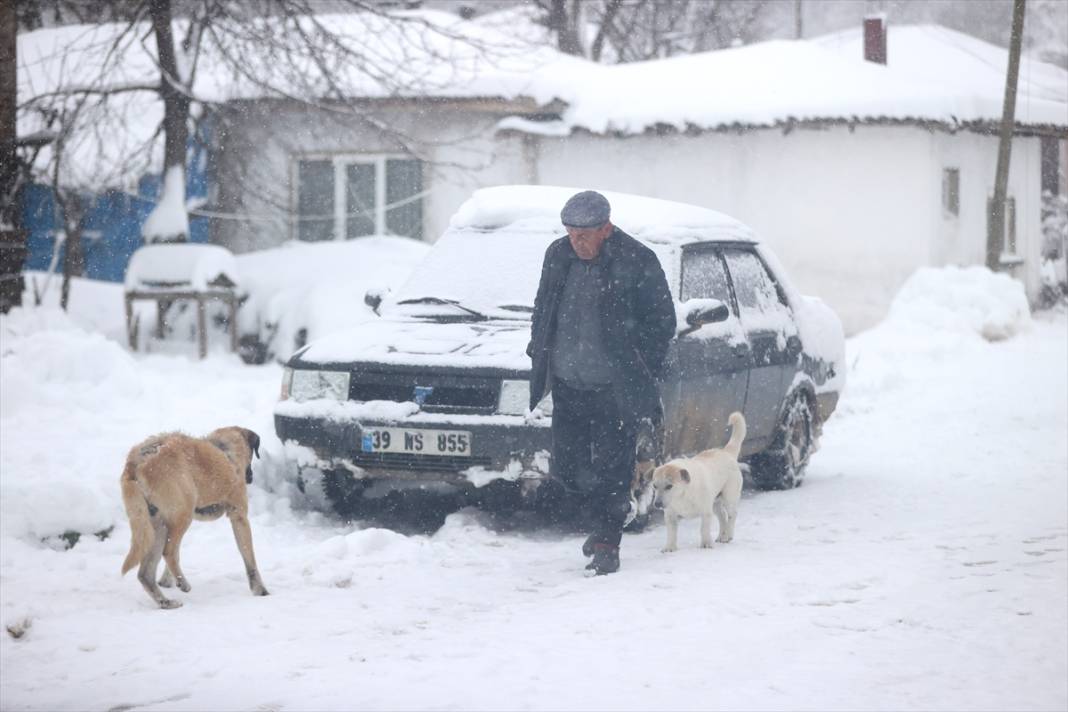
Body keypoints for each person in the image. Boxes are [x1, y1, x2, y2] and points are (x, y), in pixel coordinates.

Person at [527, 190, 676, 575]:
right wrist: (537, 349)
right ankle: (609, 513)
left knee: (612, 467)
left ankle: (607, 542)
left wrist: (636, 364)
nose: (576, 241)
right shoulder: (557, 256)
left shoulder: (637, 261)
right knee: (568, 469)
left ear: (606, 228)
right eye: (570, 232)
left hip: (615, 390)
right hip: (567, 383)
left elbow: (662, 325)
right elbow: (543, 308)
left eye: (585, 234)